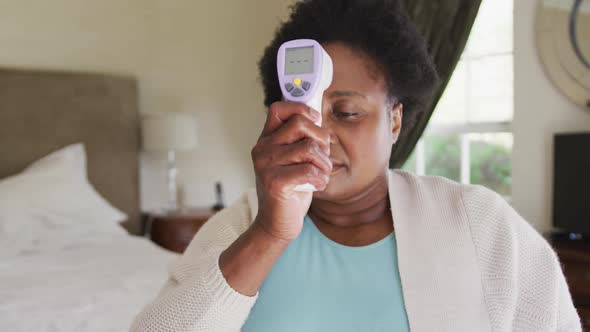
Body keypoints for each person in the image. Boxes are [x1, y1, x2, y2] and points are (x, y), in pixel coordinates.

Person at [131, 0, 581, 331]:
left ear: (396, 119)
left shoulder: (481, 224)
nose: (318, 135)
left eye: (346, 113)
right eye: (300, 112)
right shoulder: (240, 227)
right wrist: (269, 234)